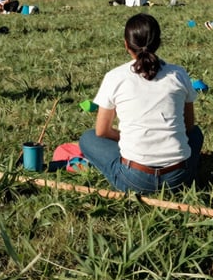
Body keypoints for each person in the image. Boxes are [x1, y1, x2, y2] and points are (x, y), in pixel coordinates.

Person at [79, 13, 203, 193]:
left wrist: (126, 136)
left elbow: (102, 130)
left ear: (126, 44)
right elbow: (189, 126)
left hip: (135, 179)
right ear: (158, 42)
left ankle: (122, 178)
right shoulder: (178, 74)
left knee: (88, 138)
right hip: (178, 177)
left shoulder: (115, 76)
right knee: (196, 134)